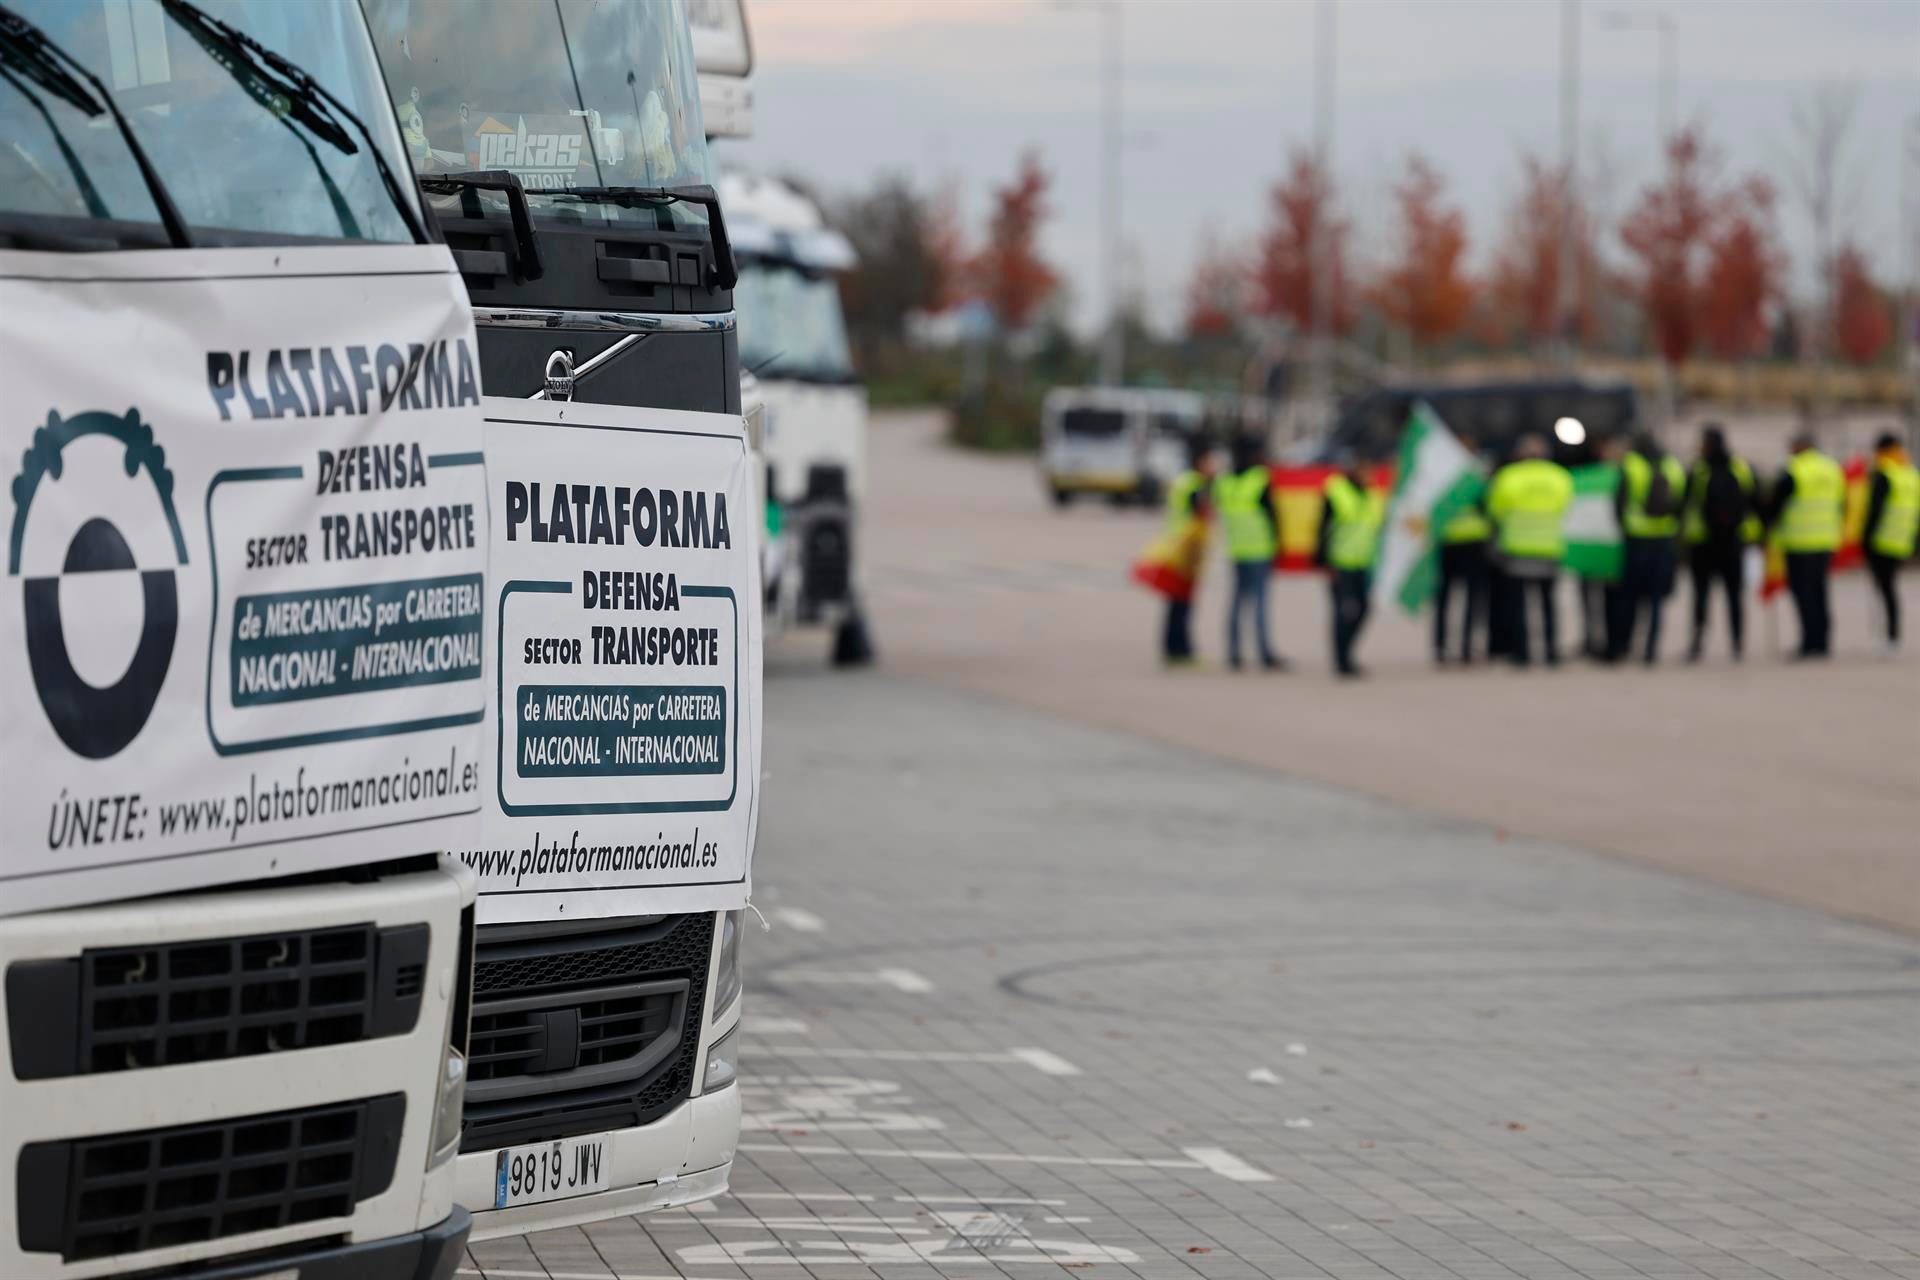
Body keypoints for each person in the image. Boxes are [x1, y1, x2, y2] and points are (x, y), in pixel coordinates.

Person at [1486, 434, 1573, 667]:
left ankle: (1522, 653)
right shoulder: (1560, 477)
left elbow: (1495, 510)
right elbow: (1568, 506)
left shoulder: (1509, 476)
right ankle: (1551, 652)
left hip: (1518, 548)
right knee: (1548, 604)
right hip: (1549, 547)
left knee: (1518, 606)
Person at [1681, 424, 1760, 662]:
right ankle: (1737, 644)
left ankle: (1697, 644)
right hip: (1733, 541)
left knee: (1701, 596)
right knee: (1734, 596)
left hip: (1703, 542)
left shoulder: (1698, 469)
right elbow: (1754, 501)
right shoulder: (1742, 468)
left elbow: (1686, 502)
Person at [1765, 432, 1845, 659]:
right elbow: (1842, 502)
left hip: (1799, 542)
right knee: (1820, 592)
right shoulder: (1831, 469)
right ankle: (1823, 640)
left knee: (1803, 594)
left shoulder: (1794, 470)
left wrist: (1766, 529)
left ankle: (1809, 642)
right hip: (1826, 540)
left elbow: (1774, 505)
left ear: (1800, 446)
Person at [1215, 433, 1288, 671]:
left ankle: (1234, 653)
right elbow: (1273, 515)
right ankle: (1264, 652)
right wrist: (1280, 543)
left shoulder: (1225, 481)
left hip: (1237, 549)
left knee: (1236, 603)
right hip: (1259, 549)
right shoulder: (1259, 479)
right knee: (1260, 604)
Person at [1613, 432, 1686, 665]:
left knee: (1629, 597)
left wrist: (1624, 528)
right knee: (1656, 599)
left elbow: (1619, 503)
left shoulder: (1631, 466)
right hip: (1664, 539)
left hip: (1636, 540)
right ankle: (1651, 649)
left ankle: (1624, 645)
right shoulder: (1673, 466)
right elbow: (1681, 502)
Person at [1317, 452, 1384, 678]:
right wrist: (1324, 560)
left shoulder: (1373, 495)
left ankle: (1348, 651)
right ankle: (1341, 659)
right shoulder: (1336, 490)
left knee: (1364, 609)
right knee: (1343, 611)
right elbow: (1322, 527)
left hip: (1364, 562)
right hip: (1341, 561)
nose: (1367, 475)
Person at [1433, 436, 1491, 666]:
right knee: (1460, 598)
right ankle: (1452, 647)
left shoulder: (1445, 475)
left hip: (1459, 542)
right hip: (1464, 543)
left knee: (1454, 599)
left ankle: (1453, 647)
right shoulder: (1477, 476)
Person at [1160, 436, 1217, 665]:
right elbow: (1199, 514)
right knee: (1182, 602)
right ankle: (1181, 650)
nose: (1214, 466)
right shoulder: (1195, 484)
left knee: (1176, 602)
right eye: (1210, 462)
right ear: (1200, 462)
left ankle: (1174, 648)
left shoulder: (1183, 480)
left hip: (1176, 545)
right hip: (1187, 550)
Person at [1863, 430, 1918, 653]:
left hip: (1882, 539)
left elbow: (1874, 511)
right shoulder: (1910, 472)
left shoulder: (1884, 473)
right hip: (1902, 538)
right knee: (1890, 588)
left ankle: (1891, 636)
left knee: (1885, 589)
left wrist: (1866, 538)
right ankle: (1893, 635)